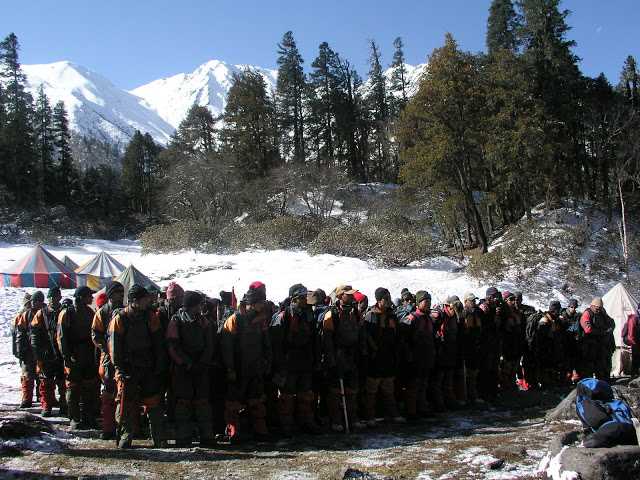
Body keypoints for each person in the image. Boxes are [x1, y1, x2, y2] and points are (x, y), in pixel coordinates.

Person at [109, 285, 166, 448]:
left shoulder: (151, 317)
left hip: (148, 366)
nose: (148, 301)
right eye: (144, 299)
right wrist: (119, 368)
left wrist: (159, 364)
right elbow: (114, 346)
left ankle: (158, 437)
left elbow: (158, 343)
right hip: (128, 367)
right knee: (125, 404)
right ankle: (126, 436)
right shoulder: (120, 318)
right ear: (135, 301)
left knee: (153, 402)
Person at [221, 285, 273, 442]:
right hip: (238, 367)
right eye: (260, 302)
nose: (262, 305)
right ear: (251, 303)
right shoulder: (234, 320)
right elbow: (226, 347)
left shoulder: (260, 320)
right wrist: (230, 368)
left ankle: (260, 431)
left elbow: (266, 344)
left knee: (256, 400)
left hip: (255, 367)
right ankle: (233, 432)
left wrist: (267, 361)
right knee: (234, 403)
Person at [270, 284, 321, 435]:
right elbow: (277, 344)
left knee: (305, 394)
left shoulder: (308, 315)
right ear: (294, 299)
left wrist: (316, 358)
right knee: (287, 396)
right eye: (302, 297)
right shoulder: (282, 316)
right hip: (288, 361)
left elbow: (314, 338)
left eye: (305, 297)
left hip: (305, 360)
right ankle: (287, 425)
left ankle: (305, 422)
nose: (305, 300)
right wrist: (280, 365)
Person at [166, 290, 215, 447]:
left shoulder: (203, 321)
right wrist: (186, 363)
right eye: (198, 304)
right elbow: (173, 346)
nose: (201, 307)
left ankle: (207, 436)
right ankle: (183, 436)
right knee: (183, 403)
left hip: (201, 367)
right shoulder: (176, 320)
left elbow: (209, 345)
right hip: (183, 368)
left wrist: (203, 362)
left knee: (203, 402)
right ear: (191, 306)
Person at [322, 285, 366, 432]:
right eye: (349, 294)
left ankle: (353, 419)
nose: (353, 296)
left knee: (352, 389)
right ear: (341, 296)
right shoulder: (332, 313)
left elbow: (360, 333)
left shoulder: (355, 312)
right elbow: (327, 339)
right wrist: (331, 359)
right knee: (335, 391)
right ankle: (336, 421)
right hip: (338, 355)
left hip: (352, 355)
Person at [57, 286, 99, 430]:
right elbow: (61, 337)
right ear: (81, 297)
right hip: (74, 355)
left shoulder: (90, 312)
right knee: (73, 389)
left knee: (89, 387)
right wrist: (66, 357)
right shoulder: (66, 313)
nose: (92, 298)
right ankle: (74, 418)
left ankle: (88, 417)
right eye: (89, 296)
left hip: (88, 355)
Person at [362, 287, 403, 426]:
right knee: (371, 391)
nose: (389, 301)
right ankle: (370, 417)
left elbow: (397, 335)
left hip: (389, 356)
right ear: (379, 300)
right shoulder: (370, 315)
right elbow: (365, 337)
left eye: (389, 298)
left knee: (389, 389)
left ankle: (392, 414)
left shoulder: (392, 315)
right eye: (386, 298)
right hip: (374, 357)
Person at [91, 281, 124, 440]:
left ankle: (123, 427)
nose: (120, 296)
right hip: (107, 358)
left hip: (123, 356)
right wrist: (106, 348)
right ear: (111, 294)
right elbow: (95, 335)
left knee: (123, 393)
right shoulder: (102, 312)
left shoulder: (125, 311)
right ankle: (108, 427)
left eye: (122, 293)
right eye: (118, 293)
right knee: (108, 393)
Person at [398, 290, 435, 421]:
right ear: (418, 303)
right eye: (426, 301)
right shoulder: (412, 318)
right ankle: (411, 411)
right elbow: (403, 338)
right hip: (414, 358)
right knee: (413, 386)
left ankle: (422, 408)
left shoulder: (429, 318)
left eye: (430, 301)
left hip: (426, 357)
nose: (428, 303)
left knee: (423, 384)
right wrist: (408, 355)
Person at [30, 287, 66, 417]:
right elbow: (34, 334)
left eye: (55, 296)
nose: (53, 299)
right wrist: (38, 353)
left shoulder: (66, 311)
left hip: (63, 352)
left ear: (60, 297)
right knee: (46, 382)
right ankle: (47, 405)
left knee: (63, 381)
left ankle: (64, 405)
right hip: (47, 353)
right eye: (51, 297)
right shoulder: (41, 313)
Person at [431, 296, 460, 411]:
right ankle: (439, 403)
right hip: (441, 351)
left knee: (448, 379)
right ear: (449, 305)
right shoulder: (440, 315)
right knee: (438, 380)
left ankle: (448, 401)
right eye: (454, 307)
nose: (455, 311)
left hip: (450, 351)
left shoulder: (454, 317)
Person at [579, 298, 615, 380]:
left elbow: (612, 322)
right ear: (592, 306)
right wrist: (603, 332)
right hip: (589, 345)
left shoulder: (602, 313)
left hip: (600, 345)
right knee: (589, 367)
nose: (598, 310)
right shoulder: (587, 314)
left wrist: (609, 329)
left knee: (601, 367)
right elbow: (588, 329)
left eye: (600, 308)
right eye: (597, 308)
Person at [13, 292, 38, 409]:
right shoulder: (23, 315)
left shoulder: (43, 313)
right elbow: (18, 334)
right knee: (27, 374)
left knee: (42, 374)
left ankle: (42, 397)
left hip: (40, 349)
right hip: (27, 349)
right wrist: (19, 351)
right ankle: (27, 398)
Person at [479, 287, 503, 401]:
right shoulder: (484, 308)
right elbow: (483, 327)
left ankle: (493, 391)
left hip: (495, 343)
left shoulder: (496, 308)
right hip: (486, 344)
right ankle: (485, 393)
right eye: (494, 296)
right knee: (486, 369)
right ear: (489, 297)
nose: (497, 299)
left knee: (494, 368)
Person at [499, 291, 524, 391]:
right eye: (511, 299)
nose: (514, 302)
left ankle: (512, 387)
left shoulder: (517, 312)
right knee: (506, 369)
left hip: (516, 344)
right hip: (506, 345)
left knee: (514, 368)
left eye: (514, 299)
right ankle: (505, 388)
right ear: (505, 300)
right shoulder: (502, 313)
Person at [461, 292, 483, 404]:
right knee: (468, 374)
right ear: (465, 302)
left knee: (474, 373)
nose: (474, 302)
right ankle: (467, 396)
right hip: (467, 347)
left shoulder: (477, 312)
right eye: (471, 300)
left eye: (474, 300)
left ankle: (473, 395)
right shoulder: (463, 313)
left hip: (476, 346)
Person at [559, 299, 582, 382]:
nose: (573, 309)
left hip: (573, 343)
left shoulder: (577, 316)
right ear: (568, 306)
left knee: (572, 362)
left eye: (575, 307)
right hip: (563, 342)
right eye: (572, 307)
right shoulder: (562, 315)